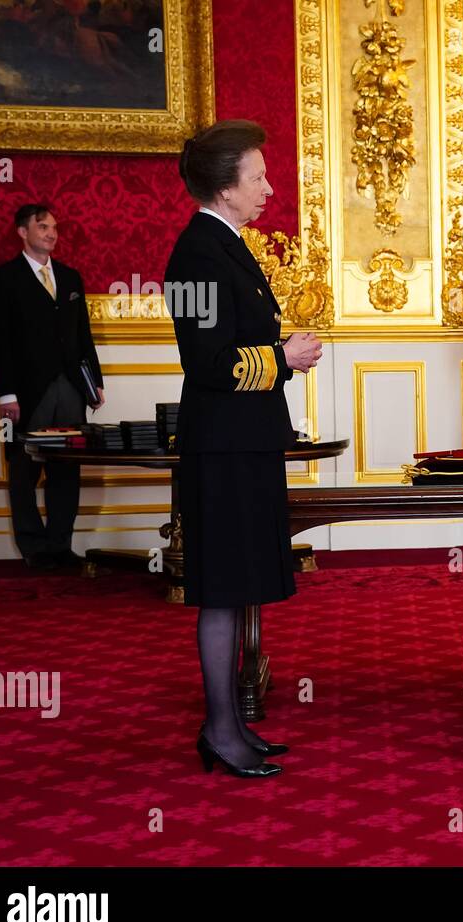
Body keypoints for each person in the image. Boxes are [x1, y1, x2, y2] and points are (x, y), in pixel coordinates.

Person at [165, 119, 323, 778]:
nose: (269, 187)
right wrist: (283, 359)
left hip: (243, 443)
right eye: (258, 176)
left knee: (235, 587)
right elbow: (207, 363)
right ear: (225, 187)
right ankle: (220, 731)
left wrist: (279, 356)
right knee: (223, 590)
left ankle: (229, 725)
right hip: (222, 450)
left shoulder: (225, 245)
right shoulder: (198, 253)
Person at [0, 203, 104, 570]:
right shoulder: (3, 278)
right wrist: (7, 394)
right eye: (43, 226)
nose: (52, 233)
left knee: (67, 468)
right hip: (26, 391)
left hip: (71, 388)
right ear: (23, 232)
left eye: (54, 227)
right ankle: (33, 548)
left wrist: (94, 383)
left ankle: (60, 545)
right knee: (24, 468)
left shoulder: (70, 277)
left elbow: (83, 335)